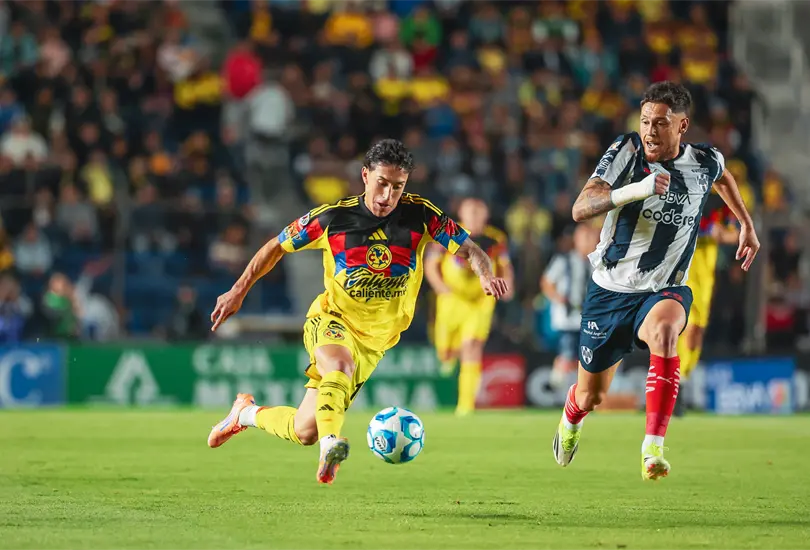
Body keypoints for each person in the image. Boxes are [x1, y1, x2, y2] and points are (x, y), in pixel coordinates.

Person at [207, 140, 509, 484]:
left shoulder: (421, 215)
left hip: (375, 341)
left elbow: (471, 249)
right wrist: (238, 290)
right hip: (332, 319)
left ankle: (244, 413)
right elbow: (276, 245)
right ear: (365, 176)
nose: (388, 195)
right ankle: (331, 444)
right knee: (339, 365)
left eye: (398, 187)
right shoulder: (333, 218)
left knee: (304, 429)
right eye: (382, 183)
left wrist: (486, 274)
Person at [551, 82, 760, 480]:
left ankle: (653, 448)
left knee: (666, 331)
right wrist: (636, 190)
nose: (649, 131)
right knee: (591, 395)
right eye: (645, 121)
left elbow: (724, 179)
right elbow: (581, 208)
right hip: (610, 291)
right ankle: (572, 417)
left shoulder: (704, 160)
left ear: (682, 126)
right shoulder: (627, 153)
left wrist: (746, 225)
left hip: (664, 288)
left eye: (660, 123)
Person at [424, 197, 514, 416]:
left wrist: (508, 287)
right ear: (461, 214)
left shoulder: (495, 238)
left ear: (486, 215)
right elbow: (431, 263)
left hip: (480, 300)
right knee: (445, 351)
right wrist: (440, 287)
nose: (474, 216)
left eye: (479, 212)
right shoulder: (449, 232)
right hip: (452, 298)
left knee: (472, 345)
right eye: (470, 212)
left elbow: (505, 266)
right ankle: (447, 354)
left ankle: (466, 406)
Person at [674, 189, 740, 416]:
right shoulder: (685, 197)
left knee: (697, 332)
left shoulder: (719, 206)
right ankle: (676, 386)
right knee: (688, 329)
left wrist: (721, 234)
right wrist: (705, 231)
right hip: (685, 274)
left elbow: (735, 232)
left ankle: (682, 379)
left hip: (706, 279)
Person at [541, 224, 598, 389]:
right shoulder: (563, 260)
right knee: (567, 352)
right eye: (584, 237)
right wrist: (558, 298)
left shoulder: (599, 263)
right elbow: (547, 282)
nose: (587, 241)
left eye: (590, 237)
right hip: (568, 318)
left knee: (588, 355)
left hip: (591, 319)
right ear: (576, 240)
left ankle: (580, 388)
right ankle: (556, 384)